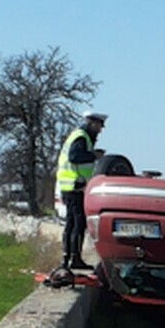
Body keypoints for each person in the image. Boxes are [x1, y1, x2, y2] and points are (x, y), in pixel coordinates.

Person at [56, 110, 107, 270]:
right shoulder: (81, 137)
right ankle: (74, 258)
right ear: (92, 123)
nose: (99, 130)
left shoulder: (78, 135)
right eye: (99, 126)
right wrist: (94, 156)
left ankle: (67, 258)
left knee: (71, 223)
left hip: (69, 186)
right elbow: (74, 157)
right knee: (78, 223)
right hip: (74, 185)